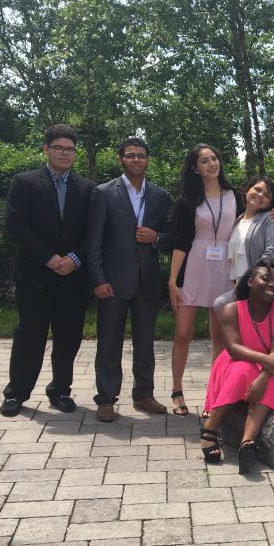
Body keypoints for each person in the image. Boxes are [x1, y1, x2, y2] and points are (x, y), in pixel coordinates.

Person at [0, 124, 95, 417]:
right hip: (36, 274)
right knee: (30, 335)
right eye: (59, 148)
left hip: (73, 277)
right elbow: (16, 225)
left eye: (70, 149)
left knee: (68, 337)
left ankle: (60, 391)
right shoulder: (25, 182)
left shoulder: (88, 188)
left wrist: (75, 259)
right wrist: (50, 257)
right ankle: (16, 393)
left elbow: (93, 231)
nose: (65, 154)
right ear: (47, 149)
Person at [85, 137, 173, 422]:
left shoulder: (160, 195)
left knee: (145, 342)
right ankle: (106, 398)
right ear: (121, 158)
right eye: (131, 155)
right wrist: (98, 278)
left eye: (142, 156)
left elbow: (173, 236)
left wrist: (156, 237)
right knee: (109, 342)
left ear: (148, 160)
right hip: (112, 281)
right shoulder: (103, 192)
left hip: (146, 280)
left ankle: (144, 395)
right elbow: (93, 240)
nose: (137, 160)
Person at [199, 258, 274, 474]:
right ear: (250, 281)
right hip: (234, 362)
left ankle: (247, 443)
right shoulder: (231, 309)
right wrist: (264, 363)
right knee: (243, 368)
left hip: (269, 366)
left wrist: (262, 377)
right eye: (266, 278)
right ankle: (211, 428)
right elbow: (233, 349)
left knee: (269, 375)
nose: (273, 285)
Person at [168, 145, 239, 416]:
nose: (212, 164)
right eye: (204, 161)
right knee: (183, 333)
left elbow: (257, 218)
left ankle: (215, 393)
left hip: (226, 268)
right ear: (195, 168)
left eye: (214, 159)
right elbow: (181, 242)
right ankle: (177, 390)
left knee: (219, 334)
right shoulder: (188, 201)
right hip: (194, 267)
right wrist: (173, 281)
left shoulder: (236, 197)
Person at [223, 176, 274, 303]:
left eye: (266, 195)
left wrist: (247, 280)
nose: (260, 195)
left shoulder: (272, 218)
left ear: (270, 203)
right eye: (257, 189)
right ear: (247, 190)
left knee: (221, 304)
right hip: (246, 284)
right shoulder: (237, 220)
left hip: (270, 284)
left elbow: (273, 254)